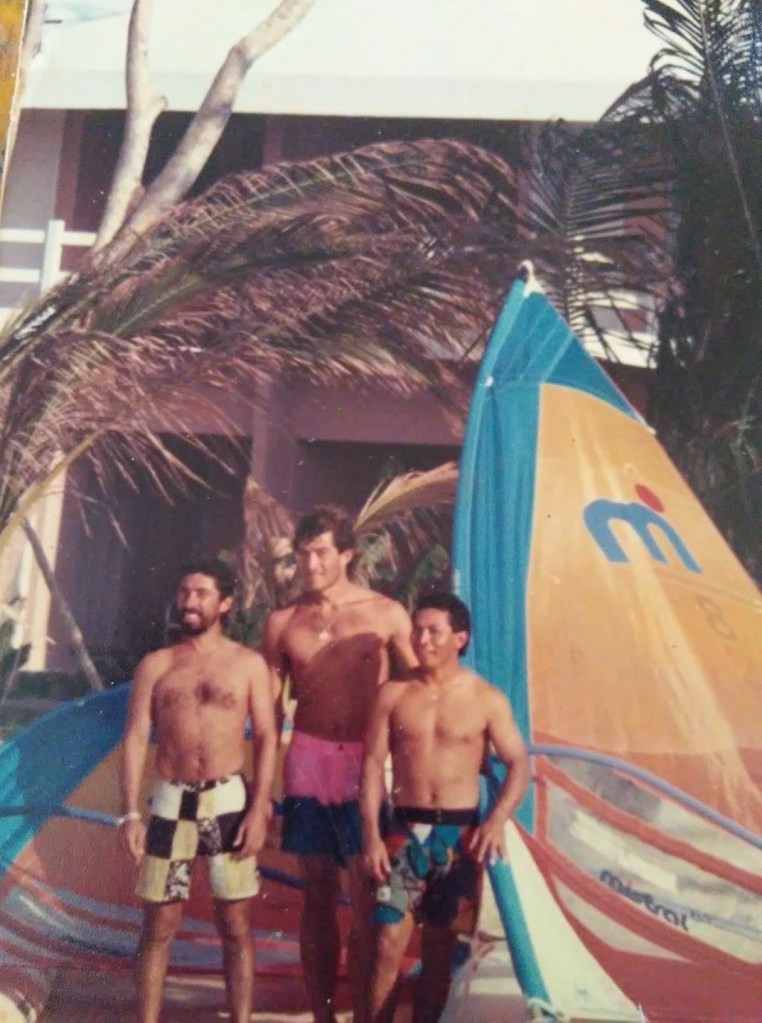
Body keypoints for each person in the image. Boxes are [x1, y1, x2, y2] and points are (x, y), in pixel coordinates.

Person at [262, 505, 417, 1023]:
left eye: (321, 553)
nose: (310, 565)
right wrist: (260, 792)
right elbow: (268, 713)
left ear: (346, 554)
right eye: (303, 554)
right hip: (306, 761)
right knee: (317, 895)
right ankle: (324, 1015)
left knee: (368, 894)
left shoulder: (385, 613)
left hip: (363, 763)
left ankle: (367, 1015)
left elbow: (423, 689)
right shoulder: (283, 622)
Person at [119, 558, 278, 1023]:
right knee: (159, 924)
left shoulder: (248, 664)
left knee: (235, 923)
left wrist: (260, 809)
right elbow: (135, 736)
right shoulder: (157, 664)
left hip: (228, 801)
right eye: (185, 592)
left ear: (225, 603)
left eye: (201, 593)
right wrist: (129, 814)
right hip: (172, 800)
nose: (189, 601)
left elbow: (266, 736)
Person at [360, 591, 530, 1023]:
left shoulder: (486, 699)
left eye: (433, 631)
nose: (422, 640)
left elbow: (518, 764)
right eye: (417, 630)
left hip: (458, 837)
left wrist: (496, 820)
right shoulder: (393, 694)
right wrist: (371, 836)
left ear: (460, 638)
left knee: (438, 953)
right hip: (405, 832)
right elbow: (372, 766)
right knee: (386, 944)